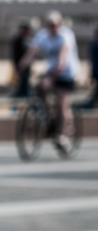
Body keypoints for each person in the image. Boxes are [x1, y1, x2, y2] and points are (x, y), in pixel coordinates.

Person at [19, 10, 81, 152]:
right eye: (50, 25)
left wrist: (59, 67)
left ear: (59, 24)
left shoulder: (66, 35)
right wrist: (22, 65)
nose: (52, 27)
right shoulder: (42, 35)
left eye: (55, 25)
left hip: (67, 72)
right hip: (52, 70)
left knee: (62, 104)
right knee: (41, 86)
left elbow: (63, 52)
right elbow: (32, 51)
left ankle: (63, 135)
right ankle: (46, 116)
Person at [11, 18, 37, 99]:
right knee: (20, 86)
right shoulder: (17, 41)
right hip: (20, 67)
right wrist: (18, 67)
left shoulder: (29, 40)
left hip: (26, 68)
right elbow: (15, 55)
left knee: (26, 86)